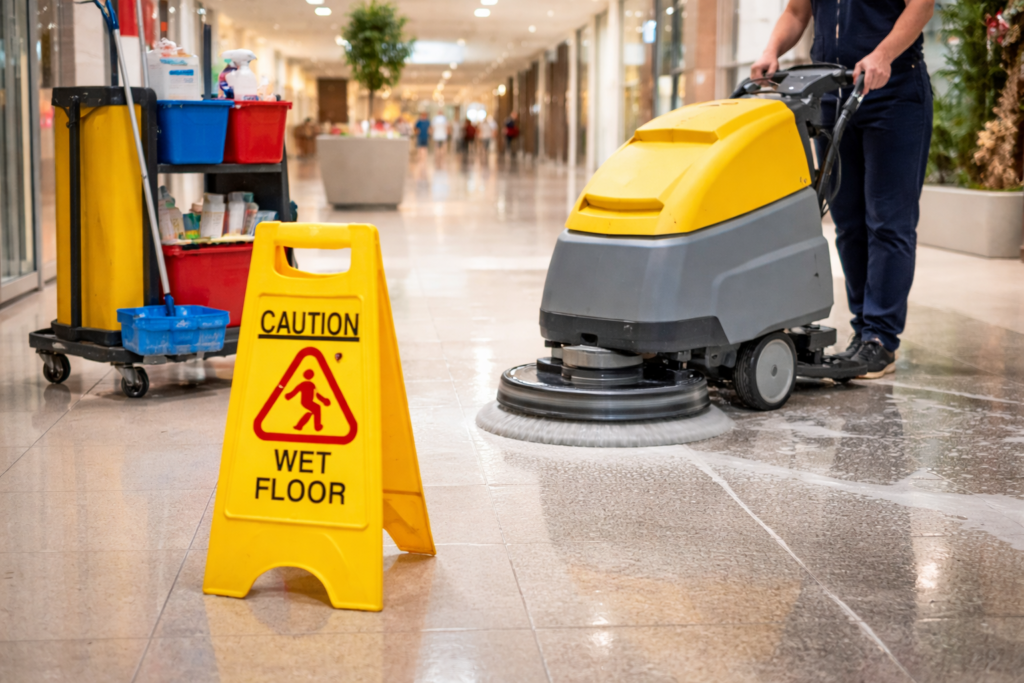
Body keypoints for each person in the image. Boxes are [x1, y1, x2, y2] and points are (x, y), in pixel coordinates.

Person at [752, 0, 934, 379]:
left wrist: (883, 54)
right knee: (848, 222)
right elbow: (797, 12)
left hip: (894, 89)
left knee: (888, 221)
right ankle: (862, 331)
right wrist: (771, 51)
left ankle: (881, 339)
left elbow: (921, 7)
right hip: (834, 92)